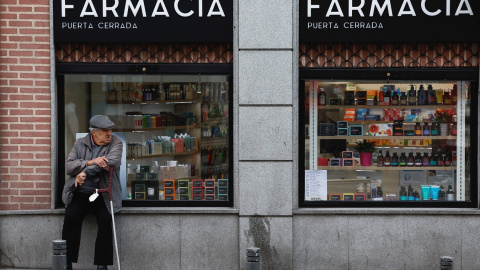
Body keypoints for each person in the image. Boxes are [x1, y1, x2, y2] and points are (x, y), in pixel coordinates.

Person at [62, 115, 123, 270]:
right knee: (71, 216)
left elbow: (111, 162)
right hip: (81, 192)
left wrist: (84, 172)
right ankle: (66, 263)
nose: (109, 133)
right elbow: (69, 167)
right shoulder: (80, 143)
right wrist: (89, 162)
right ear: (94, 132)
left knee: (105, 219)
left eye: (110, 130)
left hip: (102, 192)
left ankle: (102, 265)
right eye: (104, 131)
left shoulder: (116, 143)